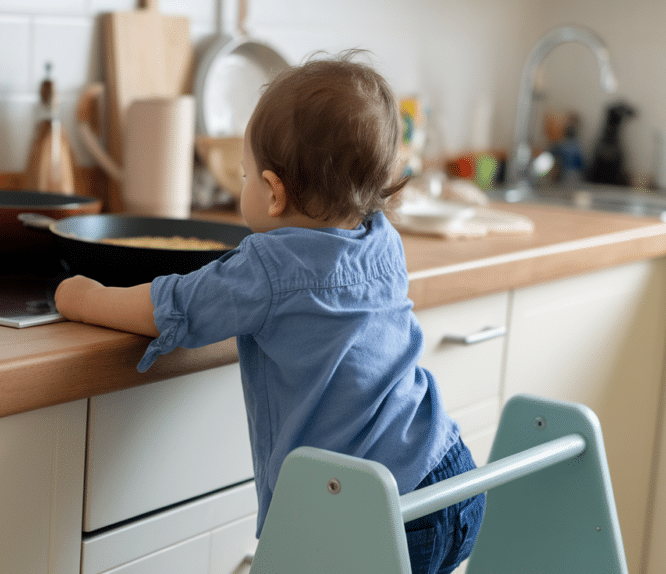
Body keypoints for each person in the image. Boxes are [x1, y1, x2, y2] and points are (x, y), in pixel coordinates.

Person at [55, 51, 485, 574]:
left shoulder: (269, 265)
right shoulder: (381, 238)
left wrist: (81, 296)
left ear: (274, 192)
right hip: (451, 475)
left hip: (380, 509)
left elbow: (169, 307)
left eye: (243, 176)